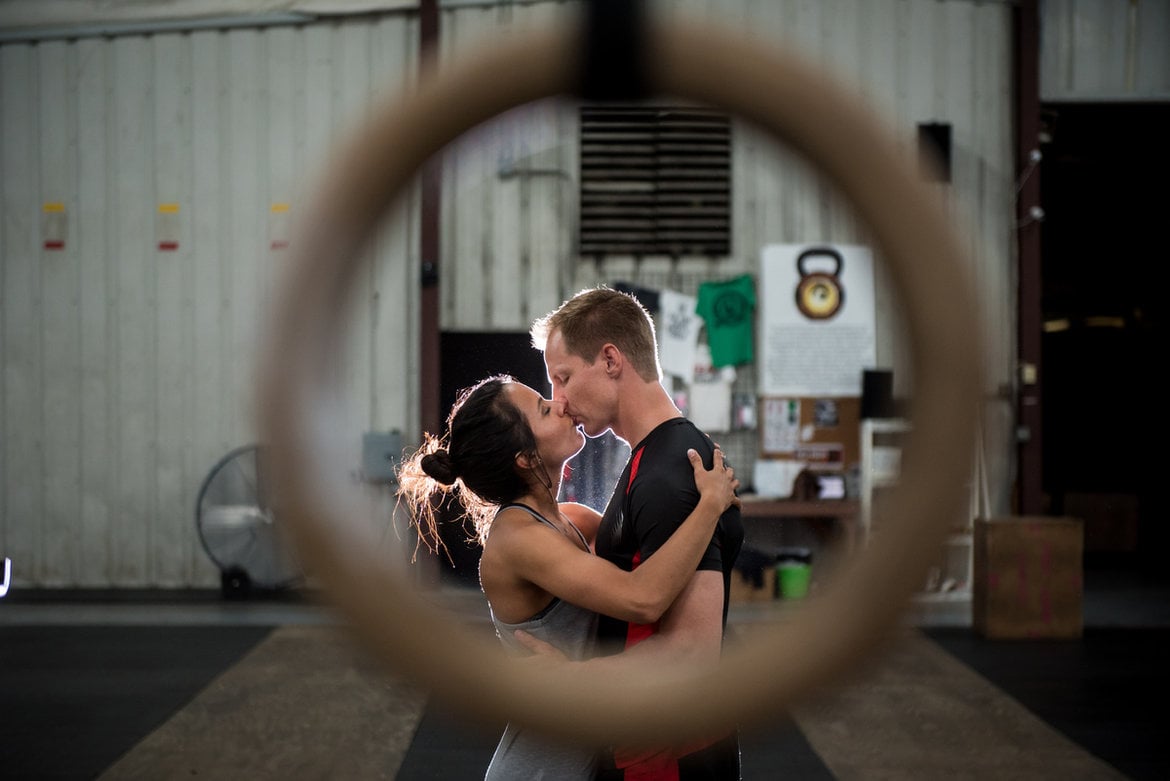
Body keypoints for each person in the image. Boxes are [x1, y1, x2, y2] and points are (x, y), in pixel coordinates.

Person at [396, 374, 741, 780]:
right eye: (544, 407)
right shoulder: (518, 540)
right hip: (544, 767)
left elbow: (656, 554)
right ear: (524, 458)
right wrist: (708, 507)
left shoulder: (573, 520)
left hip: (595, 753)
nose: (560, 404)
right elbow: (643, 597)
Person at [528, 286, 746, 780]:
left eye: (562, 378)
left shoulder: (670, 472)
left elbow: (691, 652)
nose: (559, 401)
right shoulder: (657, 456)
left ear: (610, 360)